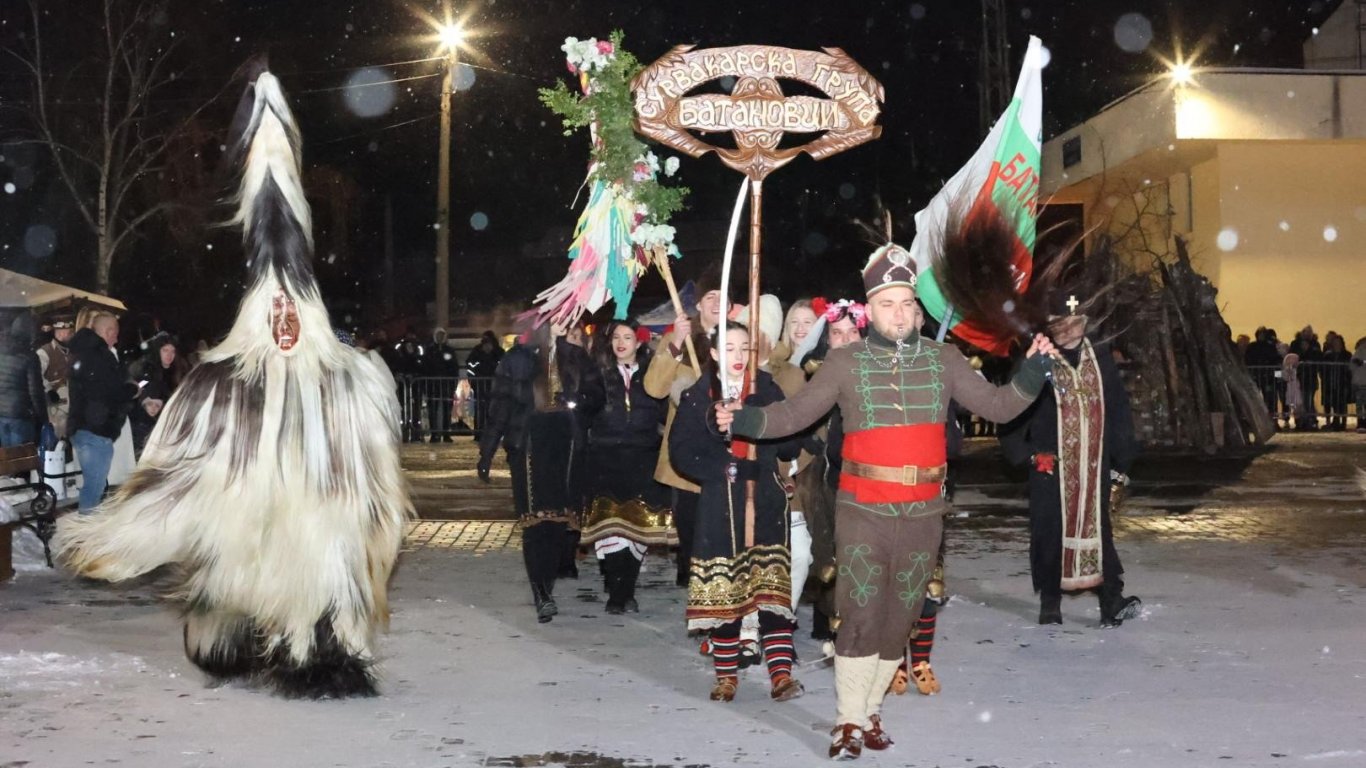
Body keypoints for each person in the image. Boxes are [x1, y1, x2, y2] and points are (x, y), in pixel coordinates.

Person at [56, 71, 412, 698]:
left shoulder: (249, 380)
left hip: (297, 420)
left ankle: (271, 635)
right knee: (283, 532)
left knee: (288, 535)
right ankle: (287, 638)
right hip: (298, 422)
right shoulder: (320, 380)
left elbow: (277, 223)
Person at [715, 243, 1055, 760]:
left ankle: (870, 709)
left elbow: (999, 406)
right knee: (860, 613)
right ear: (869, 309)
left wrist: (1031, 373)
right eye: (887, 304)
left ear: (917, 310)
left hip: (924, 513)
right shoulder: (845, 362)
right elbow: (795, 414)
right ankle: (848, 721)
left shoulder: (944, 360)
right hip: (863, 510)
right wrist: (745, 419)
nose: (898, 314)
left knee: (902, 617)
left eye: (906, 304)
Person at [671, 322, 804, 703]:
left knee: (772, 595)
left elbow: (790, 443)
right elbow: (682, 452)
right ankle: (726, 675)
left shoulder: (764, 388)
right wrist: (723, 463)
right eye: (729, 348)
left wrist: (757, 421)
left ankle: (781, 675)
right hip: (720, 508)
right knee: (726, 596)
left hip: (765, 504)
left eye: (744, 348)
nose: (738, 356)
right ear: (713, 353)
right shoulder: (700, 395)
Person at [1001, 309, 1141, 630]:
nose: (1066, 328)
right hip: (1051, 467)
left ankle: (1111, 601)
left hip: (1093, 465)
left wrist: (1122, 461)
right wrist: (1026, 455)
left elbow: (1118, 408)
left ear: (1085, 321)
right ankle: (1050, 601)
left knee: (1099, 532)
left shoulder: (1099, 356)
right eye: (1058, 322)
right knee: (1051, 533)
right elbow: (1012, 406)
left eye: (1073, 320)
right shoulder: (1039, 356)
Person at [477, 321, 603, 622]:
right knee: (534, 525)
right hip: (528, 445)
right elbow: (500, 406)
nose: (559, 324)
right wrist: (487, 450)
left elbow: (597, 397)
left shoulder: (575, 356)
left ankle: (547, 584)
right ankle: (541, 593)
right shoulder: (516, 359)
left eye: (564, 318)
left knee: (558, 523)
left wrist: (576, 401)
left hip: (566, 444)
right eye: (554, 318)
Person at [643, 262, 729, 587]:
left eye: (722, 297)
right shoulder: (679, 340)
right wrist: (676, 345)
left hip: (726, 454)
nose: (716, 303)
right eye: (710, 297)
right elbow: (654, 388)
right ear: (699, 302)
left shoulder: (738, 338)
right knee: (692, 532)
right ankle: (697, 593)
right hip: (687, 459)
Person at [581, 320, 671, 614]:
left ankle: (625, 589)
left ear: (639, 342)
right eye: (616, 337)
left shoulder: (651, 375)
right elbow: (586, 408)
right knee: (610, 529)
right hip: (605, 458)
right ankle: (617, 592)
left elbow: (662, 409)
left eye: (628, 337)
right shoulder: (598, 374)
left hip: (643, 457)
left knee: (637, 529)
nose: (621, 343)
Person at [66, 313, 140, 512]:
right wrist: (133, 390)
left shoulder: (82, 352)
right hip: (95, 430)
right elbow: (109, 392)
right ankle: (84, 536)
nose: (116, 339)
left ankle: (85, 532)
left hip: (83, 428)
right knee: (94, 488)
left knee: (93, 485)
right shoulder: (99, 356)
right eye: (115, 334)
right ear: (108, 332)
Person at [128, 334, 186, 457]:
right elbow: (136, 386)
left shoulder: (174, 372)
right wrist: (143, 384)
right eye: (165, 350)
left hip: (162, 425)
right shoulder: (147, 369)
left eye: (172, 351)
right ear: (157, 351)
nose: (169, 355)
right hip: (142, 425)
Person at [0, 313, 48, 447]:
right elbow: (35, 391)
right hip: (21, 415)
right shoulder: (30, 357)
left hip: (1, 415)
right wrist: (44, 420)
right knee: (23, 460)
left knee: (7, 462)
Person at [35, 316, 75, 438]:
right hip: (56, 407)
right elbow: (37, 375)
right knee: (58, 439)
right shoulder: (44, 352)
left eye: (69, 332)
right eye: (61, 333)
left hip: (74, 406)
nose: (65, 336)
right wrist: (49, 390)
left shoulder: (74, 351)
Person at [464, 330, 505, 438]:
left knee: (492, 409)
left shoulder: (498, 352)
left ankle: (492, 432)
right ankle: (479, 432)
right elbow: (470, 365)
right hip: (480, 385)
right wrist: (473, 379)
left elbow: (504, 367)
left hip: (493, 385)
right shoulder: (478, 351)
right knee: (481, 409)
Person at [424, 327, 462, 441]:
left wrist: (453, 382)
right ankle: (434, 434)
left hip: (446, 384)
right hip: (433, 384)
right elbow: (426, 367)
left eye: (442, 335)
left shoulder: (449, 350)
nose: (440, 337)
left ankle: (446, 433)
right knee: (433, 410)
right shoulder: (430, 350)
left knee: (447, 410)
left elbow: (454, 367)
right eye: (438, 335)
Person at [1320, 333, 1352, 431]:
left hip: (1342, 382)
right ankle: (1336, 421)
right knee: (1334, 402)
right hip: (1331, 381)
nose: (1336, 344)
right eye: (1335, 343)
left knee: (1342, 403)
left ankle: (1343, 422)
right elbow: (1323, 368)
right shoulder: (1328, 355)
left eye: (1338, 342)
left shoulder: (1347, 354)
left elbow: (1350, 369)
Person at [1352, 337, 1366, 433]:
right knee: (1360, 404)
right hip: (1360, 382)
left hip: (1361, 381)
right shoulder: (1358, 353)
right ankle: (1360, 422)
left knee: (1361, 404)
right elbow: (1353, 364)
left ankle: (1362, 422)